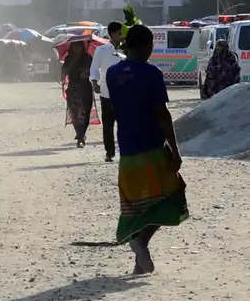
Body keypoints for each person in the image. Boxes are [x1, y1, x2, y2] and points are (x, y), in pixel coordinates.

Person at [106, 24, 188, 275]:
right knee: (173, 195)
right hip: (151, 147)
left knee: (138, 205)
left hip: (127, 149)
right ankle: (139, 242)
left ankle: (139, 260)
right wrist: (174, 149)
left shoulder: (112, 73)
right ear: (146, 46)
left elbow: (112, 111)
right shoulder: (151, 73)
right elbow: (162, 114)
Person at [90, 22, 125, 162]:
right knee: (108, 126)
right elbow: (94, 68)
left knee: (124, 125)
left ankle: (125, 151)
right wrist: (94, 82)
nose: (122, 35)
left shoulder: (126, 51)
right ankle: (109, 152)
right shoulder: (101, 50)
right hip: (106, 94)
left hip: (124, 94)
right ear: (113, 34)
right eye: (120, 32)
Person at [61, 40, 94, 148]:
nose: (77, 48)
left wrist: (86, 70)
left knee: (85, 113)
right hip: (73, 89)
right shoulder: (69, 59)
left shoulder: (88, 58)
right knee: (75, 114)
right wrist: (73, 62)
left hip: (85, 88)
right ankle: (80, 136)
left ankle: (81, 134)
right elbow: (63, 72)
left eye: (79, 46)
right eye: (75, 46)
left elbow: (92, 71)